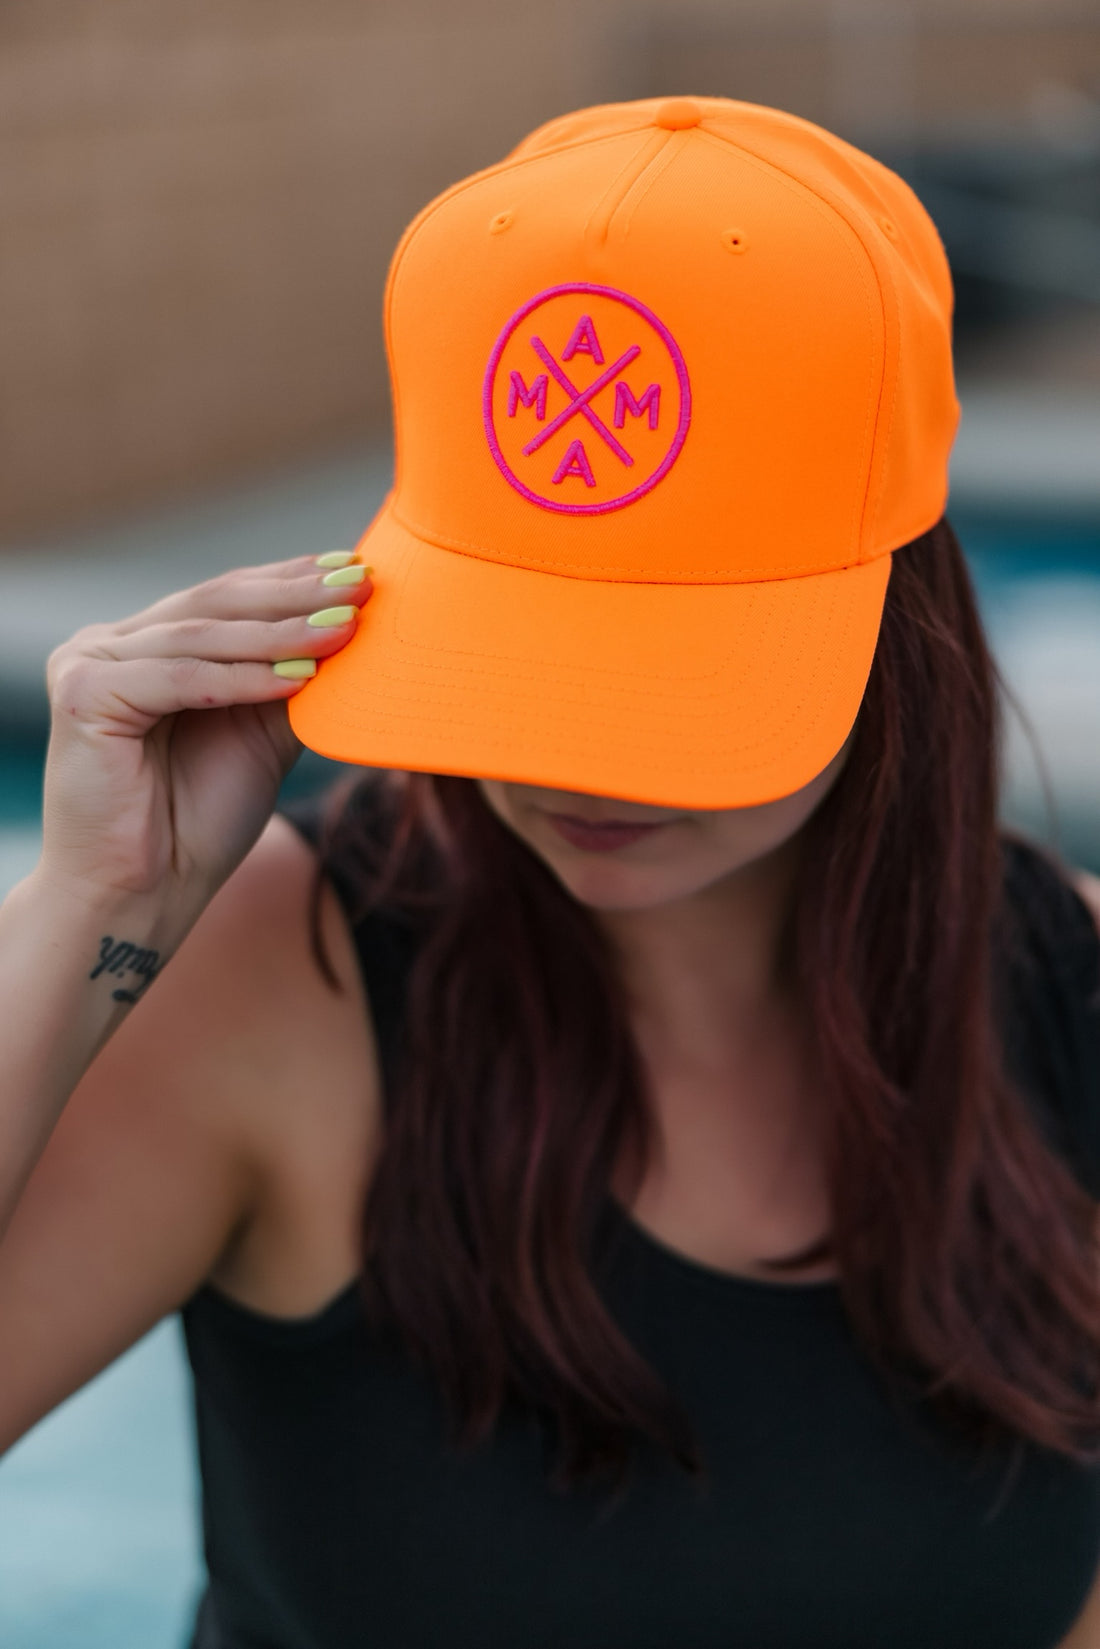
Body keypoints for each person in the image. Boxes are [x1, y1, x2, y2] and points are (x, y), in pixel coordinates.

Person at [1, 94, 1099, 1649]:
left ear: (892, 612)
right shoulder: (279, 979)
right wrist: (90, 906)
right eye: (516, 649)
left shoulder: (1071, 1002)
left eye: (668, 669)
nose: (571, 764)